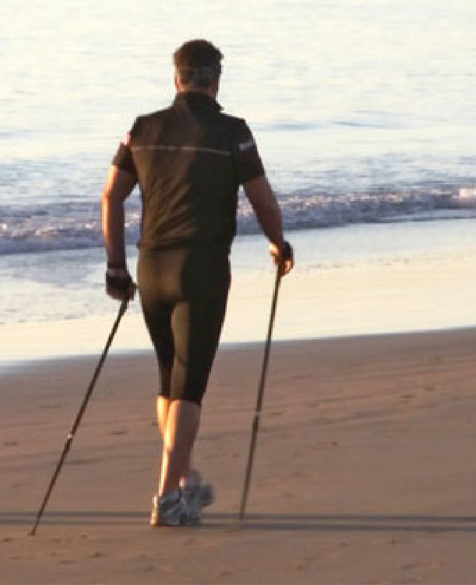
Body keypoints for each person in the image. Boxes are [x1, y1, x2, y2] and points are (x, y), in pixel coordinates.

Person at [100, 40, 294, 527]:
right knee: (189, 385)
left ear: (176, 79)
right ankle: (166, 498)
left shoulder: (142, 129)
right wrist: (279, 243)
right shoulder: (232, 132)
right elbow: (263, 200)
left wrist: (116, 267)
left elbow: (110, 197)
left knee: (168, 378)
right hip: (201, 270)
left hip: (150, 268)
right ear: (216, 80)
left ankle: (184, 481)